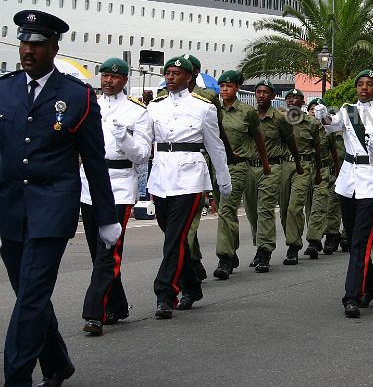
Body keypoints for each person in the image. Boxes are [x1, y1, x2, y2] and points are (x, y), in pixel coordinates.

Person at [0, 10, 120, 386]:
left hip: (52, 206)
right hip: (10, 206)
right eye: (24, 43)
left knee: (33, 295)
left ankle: (16, 377)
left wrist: (106, 218)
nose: (28, 51)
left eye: (36, 44)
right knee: (27, 293)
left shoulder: (76, 96)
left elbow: (94, 161)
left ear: (54, 47)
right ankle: (56, 363)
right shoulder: (4, 88)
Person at [147, 56, 231, 319]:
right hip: (161, 175)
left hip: (190, 175)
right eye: (168, 73)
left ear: (189, 77)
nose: (170, 77)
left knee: (174, 236)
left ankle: (165, 294)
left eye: (176, 73)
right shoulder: (154, 106)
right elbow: (145, 142)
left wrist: (223, 179)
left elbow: (215, 145)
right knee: (173, 234)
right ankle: (192, 285)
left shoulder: (203, 107)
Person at [80, 58, 152, 336]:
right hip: (89, 183)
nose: (108, 80)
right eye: (105, 76)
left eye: (114, 76)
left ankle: (94, 313)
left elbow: (142, 155)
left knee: (108, 251)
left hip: (119, 185)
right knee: (95, 251)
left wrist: (125, 139)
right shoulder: (90, 105)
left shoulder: (137, 112)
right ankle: (117, 305)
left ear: (124, 80)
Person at [316, 70, 373, 318]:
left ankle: (352, 296)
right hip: (348, 179)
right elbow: (333, 127)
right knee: (353, 239)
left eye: (369, 84)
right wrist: (323, 118)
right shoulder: (347, 109)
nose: (364, 88)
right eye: (360, 84)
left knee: (361, 241)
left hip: (370, 179)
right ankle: (371, 286)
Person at [213, 70, 271, 280]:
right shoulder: (212, 110)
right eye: (222, 86)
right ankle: (232, 250)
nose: (225, 89)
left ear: (237, 88)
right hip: (216, 166)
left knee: (226, 209)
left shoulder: (247, 112)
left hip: (238, 167)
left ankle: (225, 257)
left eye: (229, 86)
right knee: (223, 210)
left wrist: (265, 165)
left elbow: (259, 140)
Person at [250, 80, 302, 271]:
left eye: (265, 92)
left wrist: (298, 164)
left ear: (272, 96)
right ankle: (259, 247)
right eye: (258, 92)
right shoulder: (249, 116)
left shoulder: (280, 119)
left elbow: (291, 142)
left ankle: (265, 252)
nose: (261, 95)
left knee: (265, 209)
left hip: (272, 168)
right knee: (252, 211)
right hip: (250, 168)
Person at [282, 89, 322, 264]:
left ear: (302, 101)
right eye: (289, 97)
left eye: (296, 98)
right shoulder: (280, 120)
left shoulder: (311, 123)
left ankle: (293, 246)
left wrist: (319, 172)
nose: (291, 100)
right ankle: (292, 237)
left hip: (304, 166)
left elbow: (318, 148)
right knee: (284, 209)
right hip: (284, 165)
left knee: (294, 206)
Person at [305, 98, 341, 258]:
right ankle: (317, 235)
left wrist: (338, 172)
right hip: (307, 170)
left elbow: (335, 152)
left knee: (326, 204)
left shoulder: (328, 131)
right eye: (312, 109)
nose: (314, 112)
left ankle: (322, 238)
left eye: (318, 109)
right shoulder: (303, 128)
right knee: (309, 207)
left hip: (326, 170)